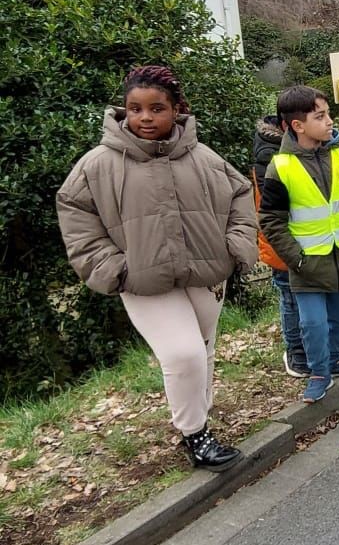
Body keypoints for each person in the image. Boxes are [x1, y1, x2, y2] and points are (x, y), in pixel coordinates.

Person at [56, 64, 258, 469]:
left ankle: (199, 420)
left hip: (205, 273)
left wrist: (235, 247)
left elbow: (240, 191)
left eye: (156, 108)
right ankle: (195, 435)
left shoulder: (201, 156)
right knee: (183, 355)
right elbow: (76, 215)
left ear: (177, 109)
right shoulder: (97, 164)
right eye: (135, 109)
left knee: (202, 349)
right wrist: (115, 269)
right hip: (144, 282)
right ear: (124, 111)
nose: (145, 118)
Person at [258, 85, 339, 402]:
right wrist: (296, 260)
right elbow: (271, 220)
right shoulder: (280, 167)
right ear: (297, 125)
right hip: (307, 265)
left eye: (328, 115)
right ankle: (319, 373)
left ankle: (335, 360)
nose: (329, 122)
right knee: (312, 324)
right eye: (320, 116)